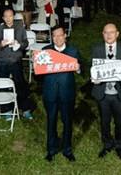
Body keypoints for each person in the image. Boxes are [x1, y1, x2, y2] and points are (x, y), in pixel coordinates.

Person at [42, 25, 82, 162]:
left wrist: (78, 69)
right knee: (51, 121)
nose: (57, 38)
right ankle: (51, 149)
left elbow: (82, 68)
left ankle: (67, 149)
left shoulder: (73, 51)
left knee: (67, 121)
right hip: (50, 93)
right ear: (52, 37)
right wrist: (37, 65)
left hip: (67, 93)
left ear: (65, 36)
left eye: (60, 35)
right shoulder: (45, 51)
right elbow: (39, 74)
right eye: (54, 36)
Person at [90, 23, 121, 159]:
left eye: (111, 32)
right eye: (106, 32)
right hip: (103, 93)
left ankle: (119, 145)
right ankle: (107, 144)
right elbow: (94, 69)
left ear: (117, 34)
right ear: (103, 34)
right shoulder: (97, 49)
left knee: (120, 122)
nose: (109, 35)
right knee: (104, 121)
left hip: (119, 93)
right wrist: (94, 78)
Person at [0, 8, 34, 120]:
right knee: (4, 86)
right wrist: (1, 44)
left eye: (10, 16)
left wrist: (19, 44)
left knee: (20, 85)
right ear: (3, 18)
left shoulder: (20, 27)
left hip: (16, 60)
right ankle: (7, 111)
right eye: (6, 16)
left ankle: (25, 110)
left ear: (13, 17)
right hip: (3, 61)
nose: (8, 18)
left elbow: (26, 43)